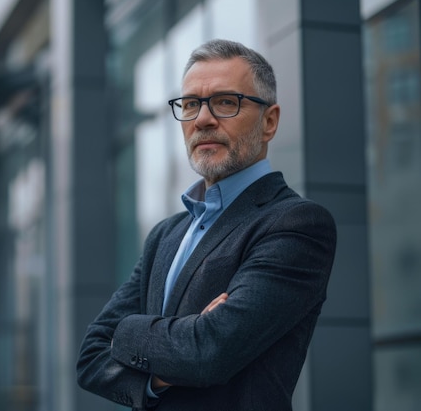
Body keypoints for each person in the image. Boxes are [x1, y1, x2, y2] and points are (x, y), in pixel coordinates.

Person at [76, 38, 337, 411]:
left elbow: (207, 353)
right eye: (190, 104)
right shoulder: (165, 235)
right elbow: (90, 359)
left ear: (270, 121)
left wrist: (128, 331)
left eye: (226, 102)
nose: (202, 119)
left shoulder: (296, 224)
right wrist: (172, 362)